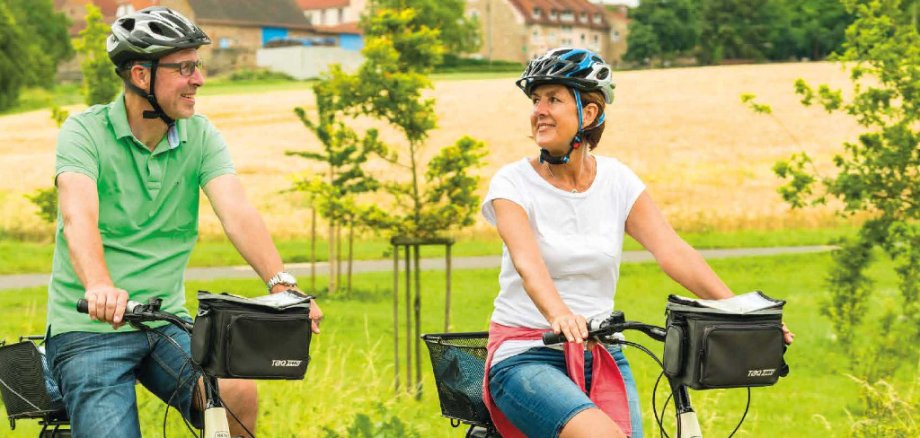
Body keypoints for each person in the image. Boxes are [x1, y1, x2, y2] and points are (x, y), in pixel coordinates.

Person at [480, 48, 795, 438]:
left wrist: (740, 312)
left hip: (604, 354)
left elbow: (673, 251)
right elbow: (528, 264)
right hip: (526, 356)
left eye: (554, 99)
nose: (539, 110)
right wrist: (560, 314)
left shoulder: (617, 181)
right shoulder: (511, 184)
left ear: (589, 113)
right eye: (535, 100)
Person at [44, 6, 323, 437]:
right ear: (141, 75)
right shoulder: (84, 132)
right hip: (90, 327)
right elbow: (78, 214)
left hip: (163, 323)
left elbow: (237, 211)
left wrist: (281, 284)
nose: (199, 79)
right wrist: (99, 285)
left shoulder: (202, 136)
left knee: (235, 391)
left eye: (198, 66)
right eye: (185, 68)